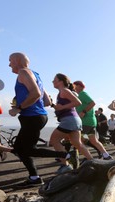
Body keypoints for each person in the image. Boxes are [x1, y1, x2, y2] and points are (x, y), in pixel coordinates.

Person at [8, 52, 72, 187]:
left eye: (10, 61)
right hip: (36, 116)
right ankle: (34, 176)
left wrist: (19, 107)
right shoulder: (35, 74)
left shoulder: (23, 72)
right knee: (20, 148)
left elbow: (36, 93)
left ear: (17, 60)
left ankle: (63, 155)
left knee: (26, 149)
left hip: (32, 116)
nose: (9, 65)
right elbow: (47, 100)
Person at [50, 74, 94, 173]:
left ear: (61, 81)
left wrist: (61, 107)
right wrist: (53, 105)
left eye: (54, 80)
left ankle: (65, 164)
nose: (52, 81)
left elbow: (78, 102)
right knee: (77, 143)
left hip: (69, 120)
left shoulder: (64, 91)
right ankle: (92, 162)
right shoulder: (63, 92)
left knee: (54, 140)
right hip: (74, 119)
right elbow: (63, 107)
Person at [73, 80, 112, 160]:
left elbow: (92, 103)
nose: (73, 87)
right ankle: (106, 155)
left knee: (77, 139)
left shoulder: (82, 94)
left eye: (74, 85)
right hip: (91, 122)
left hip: (85, 122)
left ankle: (87, 157)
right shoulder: (79, 95)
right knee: (94, 140)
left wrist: (83, 112)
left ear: (79, 86)